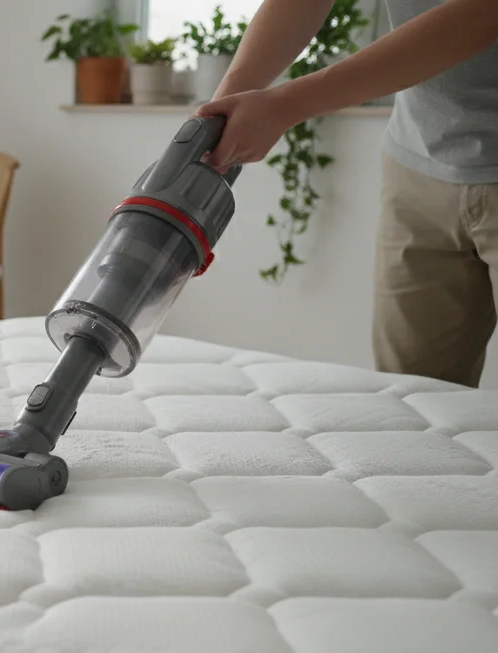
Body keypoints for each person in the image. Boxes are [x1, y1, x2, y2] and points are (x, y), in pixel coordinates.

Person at [195, 0, 498, 387]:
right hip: (417, 166)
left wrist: (286, 104)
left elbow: (480, 15)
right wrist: (220, 112)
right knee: (413, 397)